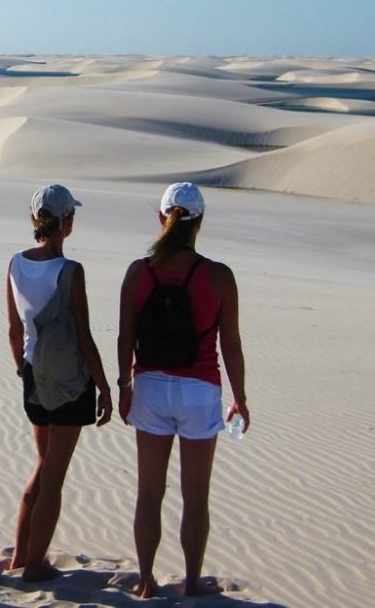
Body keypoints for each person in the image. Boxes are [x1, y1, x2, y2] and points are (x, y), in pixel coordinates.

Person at [117, 182, 248, 597]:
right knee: (195, 498)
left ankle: (145, 581)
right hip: (199, 390)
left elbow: (125, 337)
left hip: (151, 387)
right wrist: (240, 398)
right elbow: (231, 344)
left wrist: (124, 384)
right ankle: (191, 582)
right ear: (199, 222)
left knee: (149, 494)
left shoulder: (139, 271)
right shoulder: (219, 276)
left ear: (162, 218)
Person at [6, 185, 113, 582]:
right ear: (67, 222)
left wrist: (23, 369)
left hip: (34, 377)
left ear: (36, 220)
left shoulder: (16, 263)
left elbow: (14, 329)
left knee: (42, 466)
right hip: (68, 382)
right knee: (53, 477)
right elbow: (84, 336)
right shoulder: (70, 271)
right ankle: (34, 565)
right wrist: (104, 386)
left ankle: (20, 554)